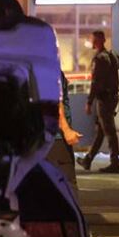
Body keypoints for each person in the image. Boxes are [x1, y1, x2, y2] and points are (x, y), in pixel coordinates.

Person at [78, 30, 119, 173]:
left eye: (93, 40)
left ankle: (115, 163)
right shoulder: (112, 55)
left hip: (104, 100)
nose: (91, 42)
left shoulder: (99, 59)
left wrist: (89, 102)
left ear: (97, 42)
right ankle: (88, 159)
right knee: (102, 131)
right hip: (113, 98)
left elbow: (95, 83)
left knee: (109, 132)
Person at [47, 71, 82, 199]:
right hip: (56, 139)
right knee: (67, 185)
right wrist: (66, 129)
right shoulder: (50, 68)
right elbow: (55, 100)